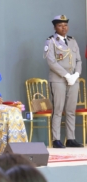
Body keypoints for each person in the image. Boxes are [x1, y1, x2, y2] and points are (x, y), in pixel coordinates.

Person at [44, 15, 83, 148]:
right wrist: (67, 75)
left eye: (65, 25)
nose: (64, 28)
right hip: (58, 79)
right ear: (55, 27)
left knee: (71, 109)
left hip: (73, 79)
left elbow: (78, 60)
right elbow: (51, 62)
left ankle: (70, 138)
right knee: (58, 109)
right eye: (60, 25)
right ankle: (56, 139)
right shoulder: (51, 41)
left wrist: (76, 74)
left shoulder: (73, 41)